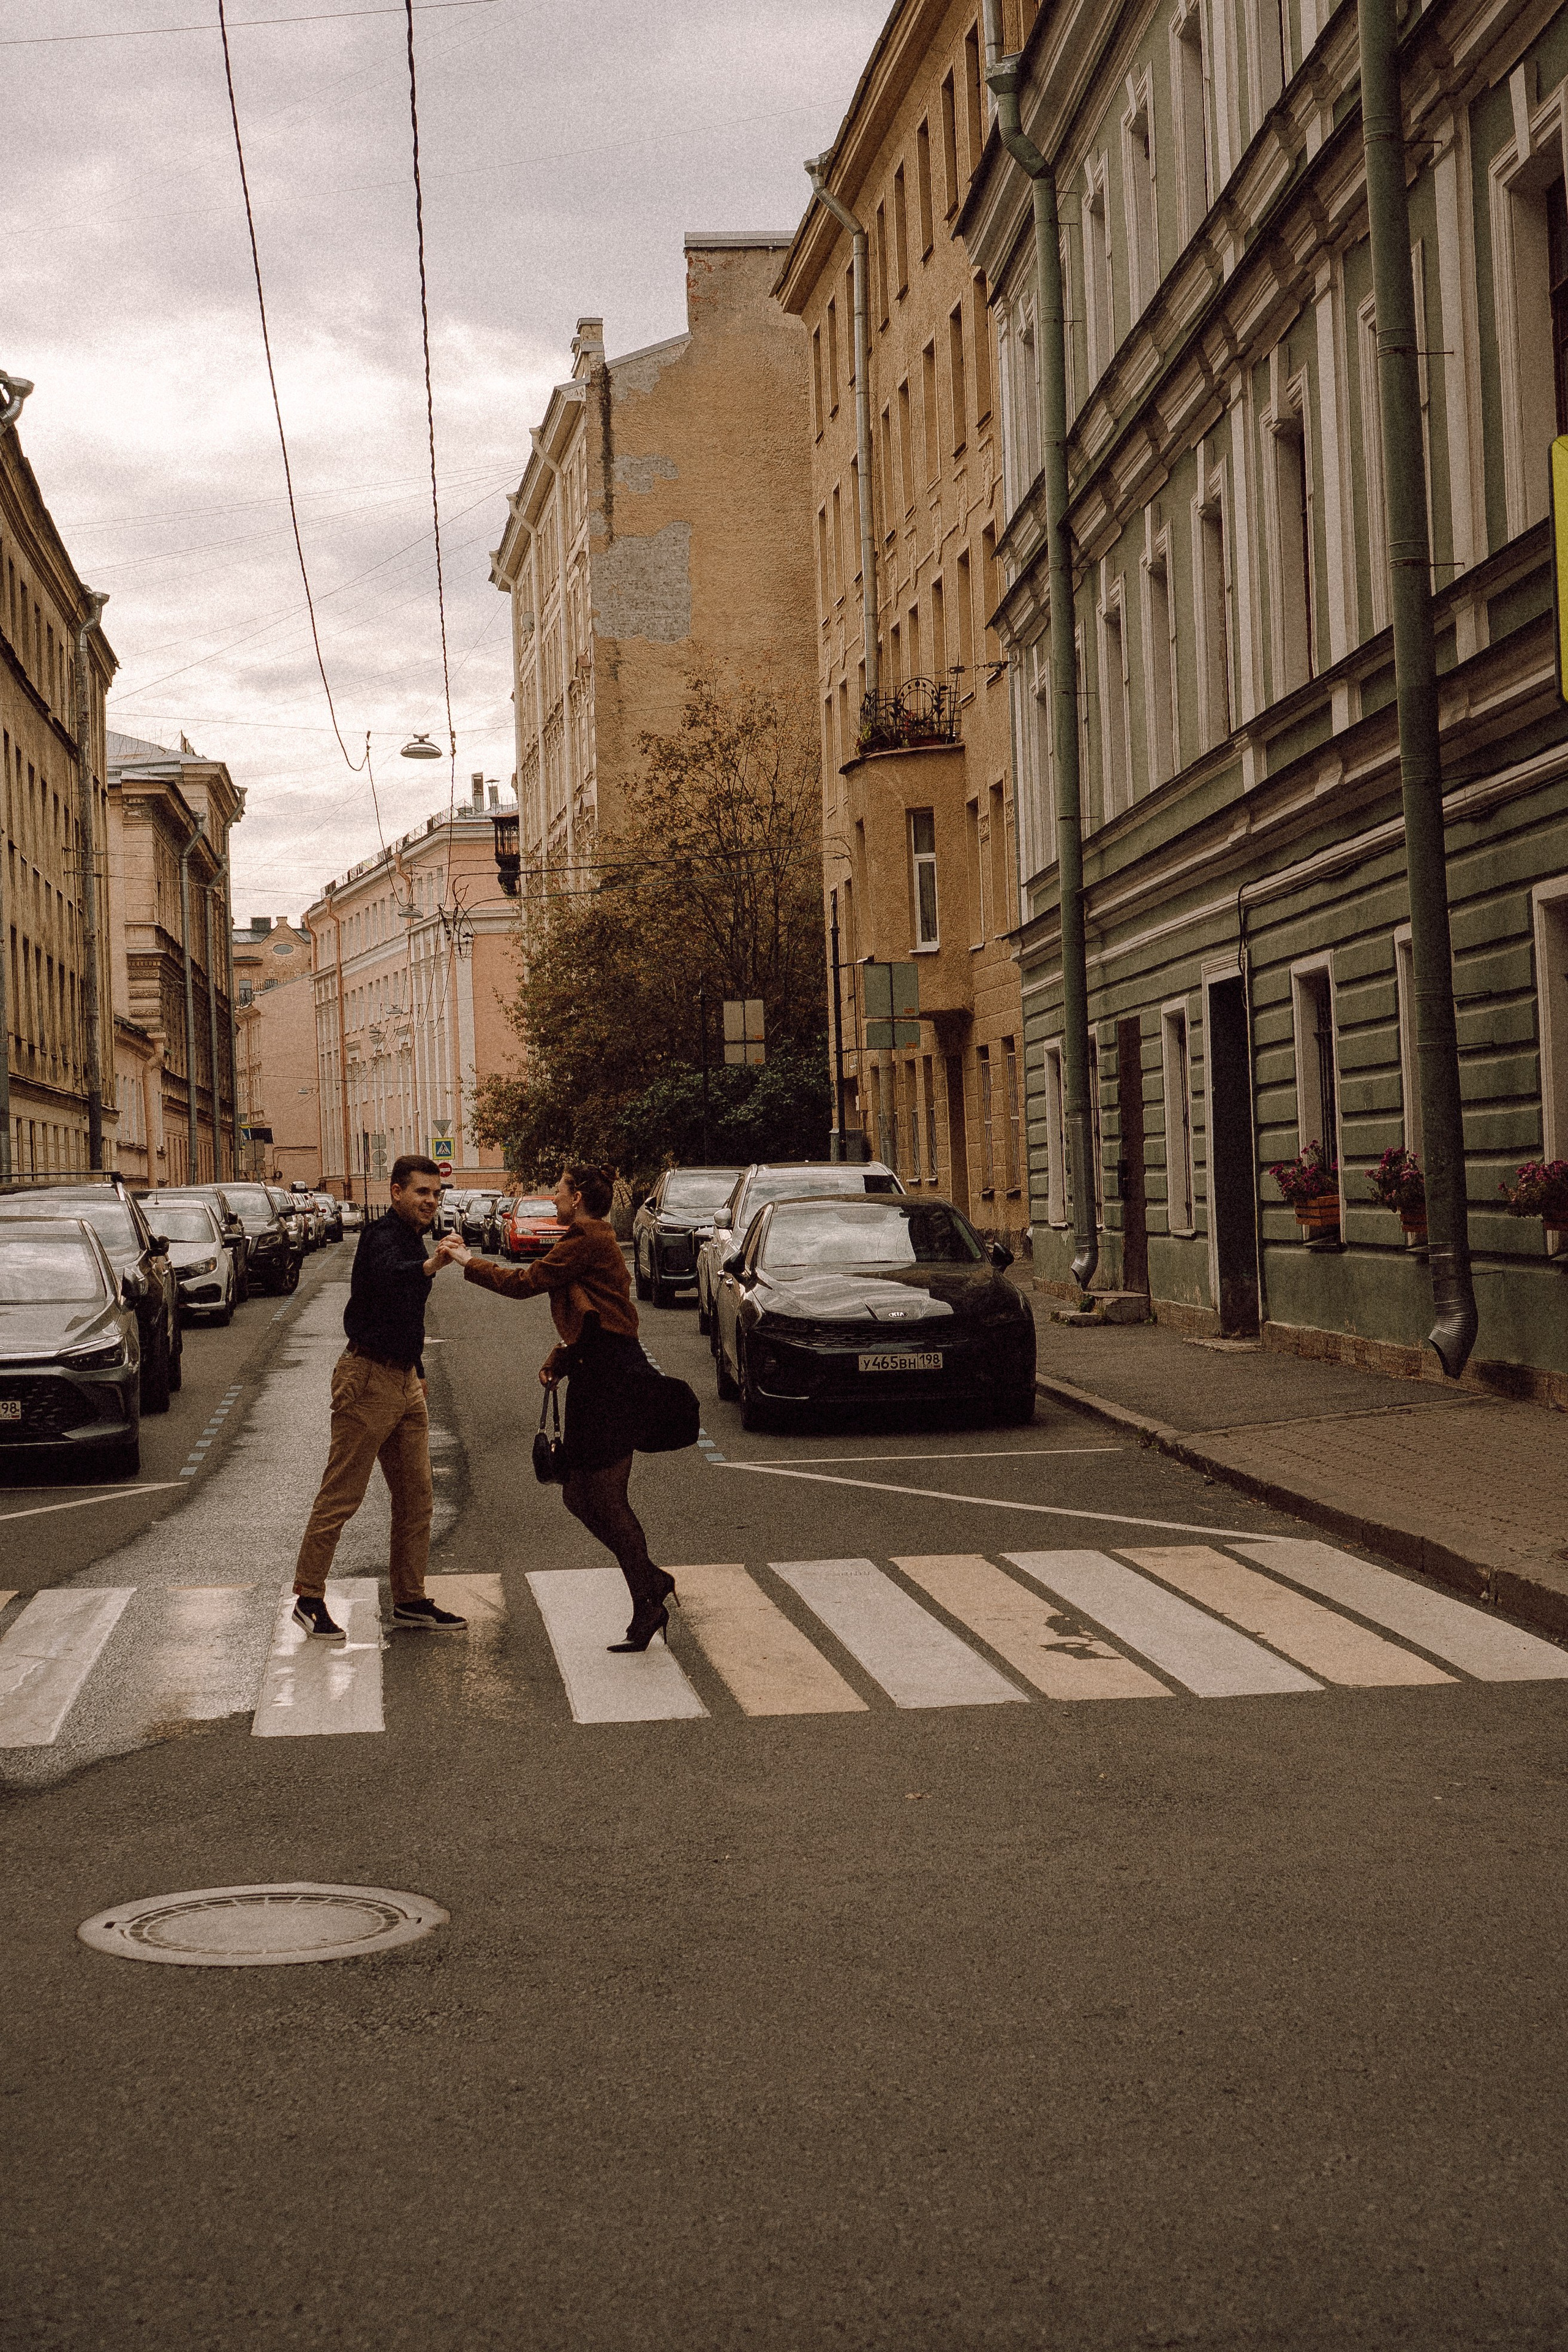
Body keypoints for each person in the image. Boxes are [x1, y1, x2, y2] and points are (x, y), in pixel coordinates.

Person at [450, 1163, 674, 1652]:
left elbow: (524, 1283)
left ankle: (648, 1600)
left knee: (607, 1499)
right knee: (578, 1495)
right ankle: (649, 1581)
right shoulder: (589, 1238)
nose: (553, 1199)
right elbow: (596, 1313)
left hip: (610, 1379)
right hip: (597, 1371)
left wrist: (468, 1261)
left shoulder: (587, 1238)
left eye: (559, 1191)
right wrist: (562, 1359)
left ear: (577, 1199)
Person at [291, 1153, 467, 1641]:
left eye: (436, 1194)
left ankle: (409, 1599)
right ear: (396, 1192)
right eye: (421, 1193)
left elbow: (405, 1313)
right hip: (367, 1378)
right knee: (341, 1495)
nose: (431, 1202)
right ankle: (309, 1597)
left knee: (417, 1497)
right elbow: (393, 1279)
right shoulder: (381, 1238)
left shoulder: (413, 1237)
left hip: (404, 1380)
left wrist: (419, 1368)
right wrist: (433, 1263)